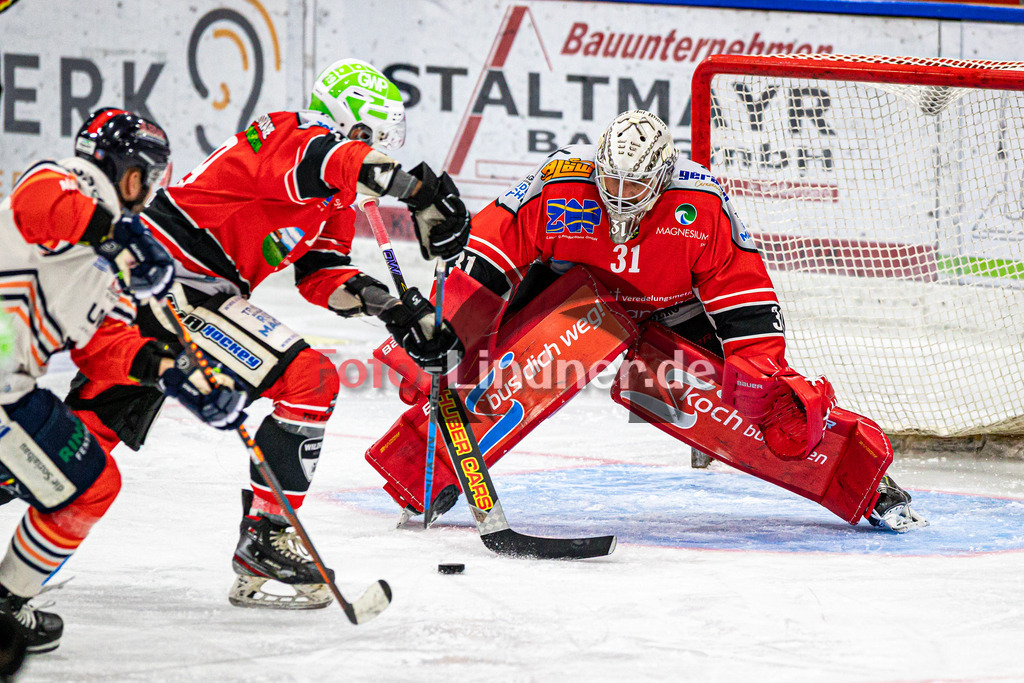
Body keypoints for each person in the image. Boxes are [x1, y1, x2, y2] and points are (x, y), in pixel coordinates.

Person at [367, 109, 926, 533]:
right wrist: (448, 327)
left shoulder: (700, 204)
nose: (617, 195)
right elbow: (490, 251)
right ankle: (425, 475)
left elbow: (743, 292)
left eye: (633, 186)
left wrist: (759, 370)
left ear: (661, 179)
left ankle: (866, 486)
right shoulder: (559, 182)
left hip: (669, 308)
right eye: (609, 180)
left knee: (760, 401)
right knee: (491, 372)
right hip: (569, 296)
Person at [65, 59, 469, 609]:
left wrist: (397, 312)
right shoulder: (288, 133)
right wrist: (417, 190)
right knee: (310, 379)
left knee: (69, 454)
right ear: (351, 124)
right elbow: (335, 160)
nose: (381, 152)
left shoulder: (333, 197)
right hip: (166, 277)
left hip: (184, 291)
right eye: (376, 138)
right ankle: (267, 537)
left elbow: (322, 275)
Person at [0, 108, 246, 652]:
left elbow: (104, 348)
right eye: (147, 177)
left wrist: (179, 375)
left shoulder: (112, 259)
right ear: (127, 172)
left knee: (92, 482)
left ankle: (6, 602)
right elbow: (38, 204)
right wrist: (116, 237)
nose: (149, 191)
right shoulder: (67, 182)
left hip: (11, 394)